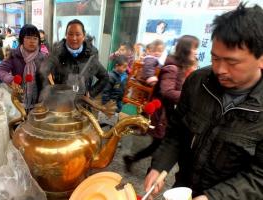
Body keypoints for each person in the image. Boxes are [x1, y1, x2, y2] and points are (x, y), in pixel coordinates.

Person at [144, 3, 263, 200]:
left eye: (232, 62)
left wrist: (213, 197)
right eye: (215, 58)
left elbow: (259, 176)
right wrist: (159, 166)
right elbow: (176, 132)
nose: (220, 70)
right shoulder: (198, 82)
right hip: (186, 188)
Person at [124, 35, 199, 172]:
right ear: (186, 49)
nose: (196, 51)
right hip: (162, 113)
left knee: (160, 144)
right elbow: (167, 91)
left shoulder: (179, 66)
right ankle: (147, 167)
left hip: (166, 113)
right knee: (161, 144)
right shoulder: (173, 67)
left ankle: (138, 162)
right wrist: (189, 96)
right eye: (194, 48)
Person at [45, 19, 108, 98]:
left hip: (82, 103)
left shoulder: (90, 55)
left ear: (83, 36)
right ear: (66, 35)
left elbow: (105, 77)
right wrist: (51, 90)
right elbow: (44, 72)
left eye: (78, 34)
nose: (74, 38)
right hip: (61, 102)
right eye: (70, 34)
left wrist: (91, 93)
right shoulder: (57, 52)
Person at [0, 24, 46, 110]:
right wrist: (11, 79)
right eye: (28, 37)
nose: (32, 41)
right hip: (19, 103)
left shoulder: (43, 57)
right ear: (22, 39)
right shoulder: (14, 55)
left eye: (35, 38)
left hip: (39, 104)